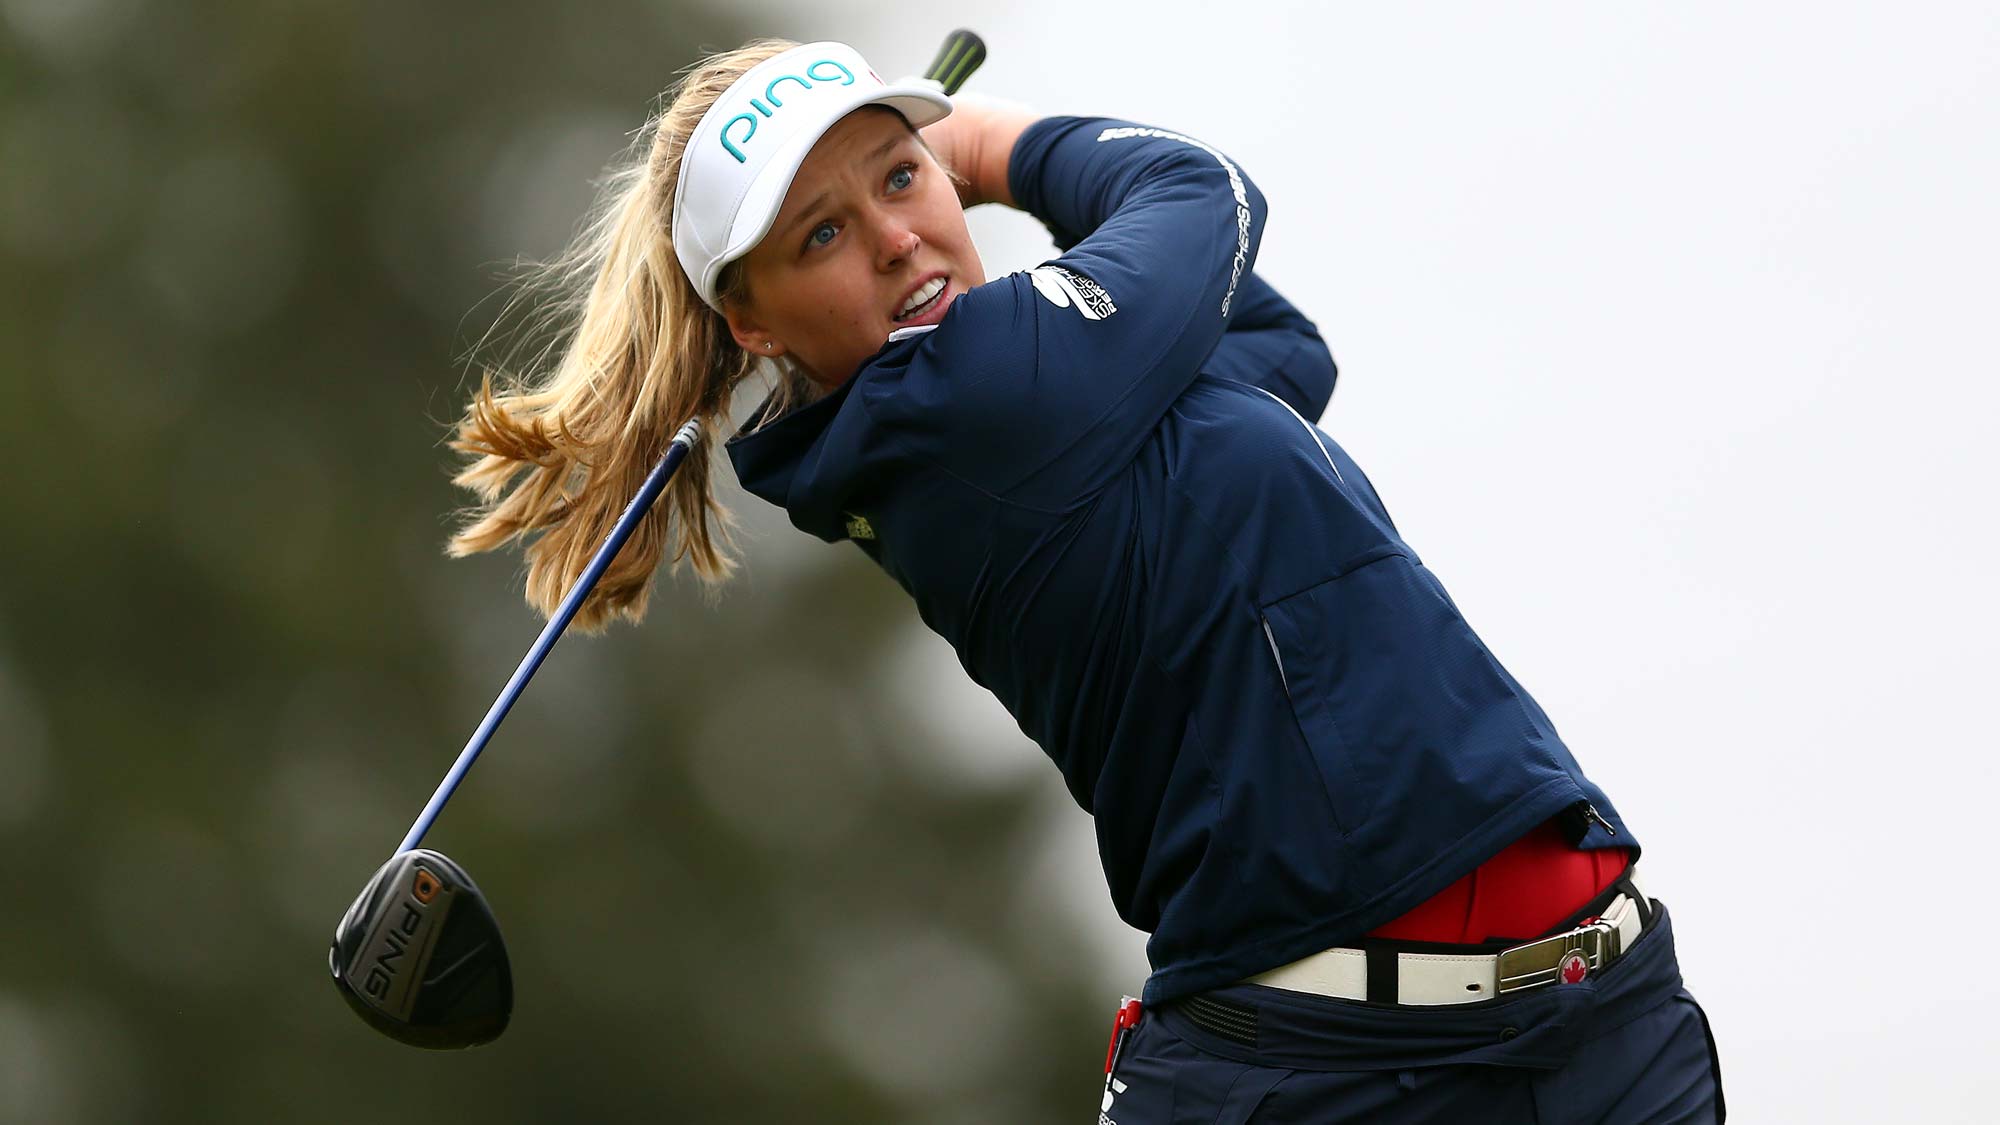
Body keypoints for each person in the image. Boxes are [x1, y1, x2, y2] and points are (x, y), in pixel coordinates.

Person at [445, 37, 1726, 1123]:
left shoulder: (1041, 384)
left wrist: (1103, 298)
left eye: (901, 178)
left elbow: (1276, 348)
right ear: (755, 323)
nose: (897, 239)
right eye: (824, 232)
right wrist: (990, 150)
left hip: (1592, 1027)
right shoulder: (963, 399)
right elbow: (1201, 192)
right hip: (1320, 1077)